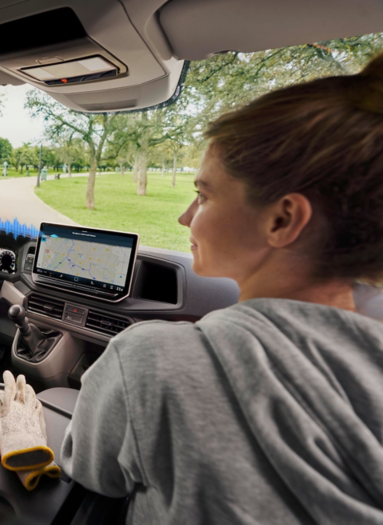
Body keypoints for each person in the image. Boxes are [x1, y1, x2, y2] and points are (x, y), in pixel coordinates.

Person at [59, 55, 383, 523]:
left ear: (283, 219)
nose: (185, 217)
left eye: (205, 196)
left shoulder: (148, 360)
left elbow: (90, 472)